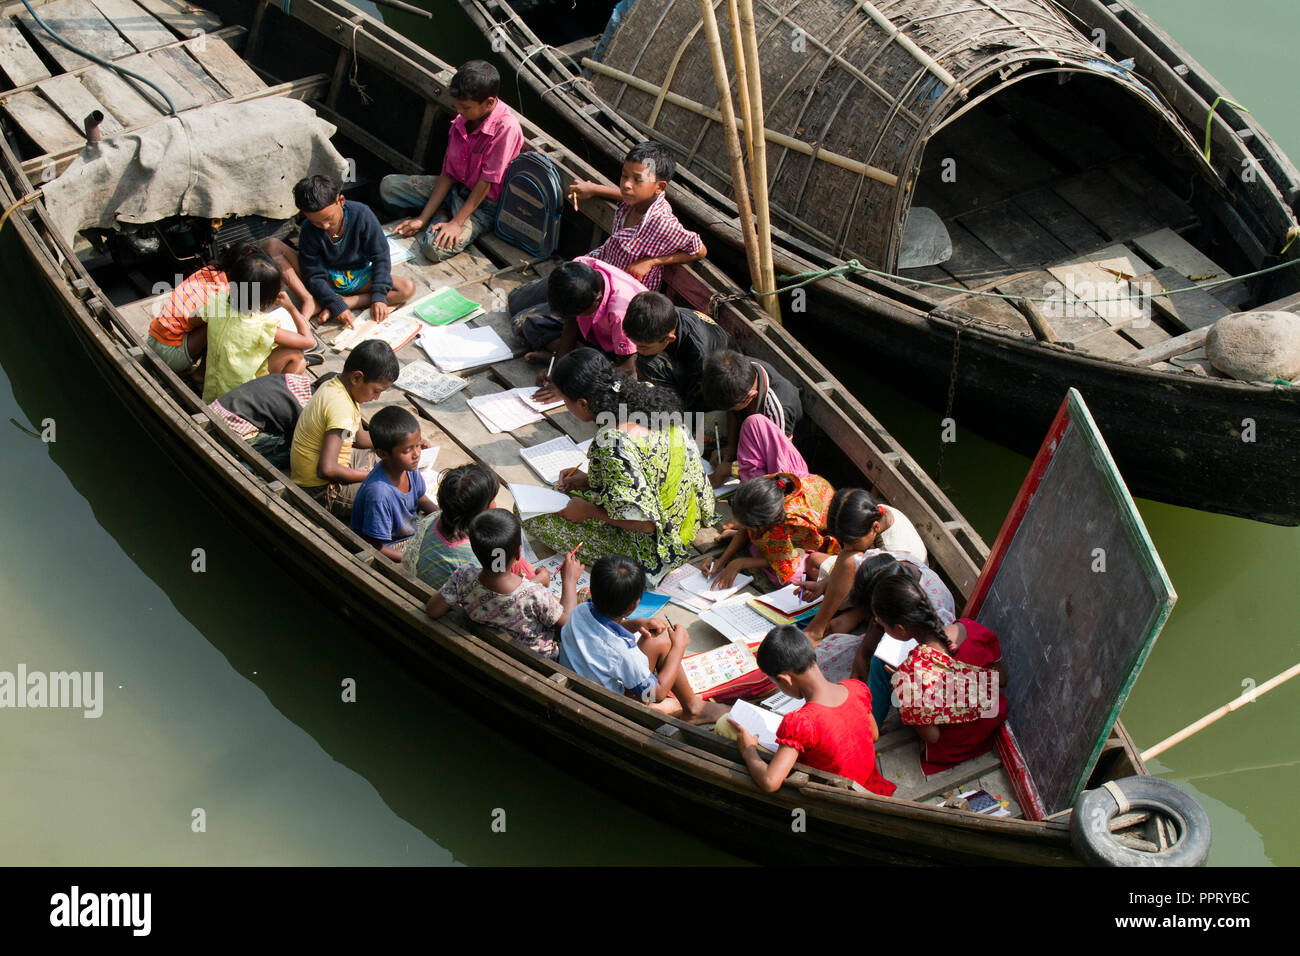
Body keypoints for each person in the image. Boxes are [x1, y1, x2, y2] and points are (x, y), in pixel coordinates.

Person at [525, 348, 714, 585]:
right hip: (688, 515)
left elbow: (645, 524)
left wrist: (589, 511)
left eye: (565, 401)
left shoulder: (612, 443)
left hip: (659, 546)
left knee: (530, 514)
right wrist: (589, 480)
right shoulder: (649, 395)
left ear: (583, 404)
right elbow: (649, 467)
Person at [726, 625, 895, 796]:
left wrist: (749, 750)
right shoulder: (856, 689)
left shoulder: (802, 722)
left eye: (777, 684)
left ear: (786, 679)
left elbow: (770, 782)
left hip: (835, 799)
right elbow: (873, 735)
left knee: (724, 726)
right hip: (872, 789)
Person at [559, 554, 726, 722]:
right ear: (634, 605)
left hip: (580, 691)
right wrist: (678, 647)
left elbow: (600, 634)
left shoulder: (579, 611)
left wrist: (636, 623)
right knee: (661, 642)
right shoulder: (624, 654)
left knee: (656, 641)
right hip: (609, 710)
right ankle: (693, 708)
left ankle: (691, 707)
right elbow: (657, 694)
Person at [385, 60, 524, 262]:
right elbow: (448, 174)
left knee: (434, 249)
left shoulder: (506, 128)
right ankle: (439, 212)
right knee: (389, 187)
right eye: (457, 105)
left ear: (490, 103)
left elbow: (486, 183)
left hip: (482, 205)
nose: (459, 112)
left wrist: (457, 223)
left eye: (465, 107)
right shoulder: (464, 118)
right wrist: (422, 219)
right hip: (455, 189)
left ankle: (444, 216)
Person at [873, 574, 1008, 775]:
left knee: (887, 680)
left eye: (882, 625)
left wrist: (904, 693)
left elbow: (932, 737)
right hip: (988, 725)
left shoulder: (914, 672)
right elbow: (1002, 680)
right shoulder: (973, 629)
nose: (881, 627)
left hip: (955, 747)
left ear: (900, 629)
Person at [814, 553, 955, 727]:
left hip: (907, 678)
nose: (874, 622)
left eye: (878, 619)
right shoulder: (889, 568)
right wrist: (863, 654)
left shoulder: (901, 662)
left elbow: (928, 732)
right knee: (831, 651)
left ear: (898, 626)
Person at [426, 509, 580, 659]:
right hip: (533, 664)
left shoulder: (463, 577)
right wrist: (569, 580)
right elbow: (567, 625)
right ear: (518, 553)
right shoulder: (536, 595)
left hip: (488, 655)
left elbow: (433, 610)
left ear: (474, 548)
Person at [146, 238, 315, 375]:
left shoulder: (209, 271)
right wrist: (291, 309)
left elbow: (192, 319)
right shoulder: (223, 294)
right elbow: (308, 342)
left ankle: (202, 372)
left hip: (153, 337)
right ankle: (201, 373)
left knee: (217, 317)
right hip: (170, 354)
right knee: (218, 320)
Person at [567, 141, 706, 290]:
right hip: (608, 268)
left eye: (638, 180)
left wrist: (651, 262)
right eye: (624, 176)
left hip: (628, 288)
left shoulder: (662, 223)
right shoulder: (636, 200)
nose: (626, 185)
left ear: (659, 187)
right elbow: (624, 195)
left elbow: (699, 250)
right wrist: (594, 189)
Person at [800, 488, 928, 642]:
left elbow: (891, 594)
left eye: (852, 542)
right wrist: (825, 583)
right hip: (872, 574)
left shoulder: (895, 550)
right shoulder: (871, 513)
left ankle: (817, 630)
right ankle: (855, 613)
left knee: (847, 560)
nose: (846, 548)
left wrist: (836, 580)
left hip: (895, 593)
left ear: (875, 527)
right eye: (844, 542)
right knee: (815, 561)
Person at [289, 339, 399, 517]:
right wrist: (367, 476)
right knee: (388, 495)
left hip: (319, 472)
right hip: (320, 490)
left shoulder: (336, 386)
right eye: (376, 391)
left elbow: (359, 438)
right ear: (357, 378)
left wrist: (398, 443)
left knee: (377, 452)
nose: (377, 398)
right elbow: (327, 469)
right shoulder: (341, 409)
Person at [294, 173, 415, 329]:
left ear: (341, 201)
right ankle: (328, 300)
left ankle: (346, 302)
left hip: (357, 276)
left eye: (329, 218)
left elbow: (381, 256)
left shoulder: (362, 214)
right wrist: (332, 300)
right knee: (273, 246)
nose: (324, 226)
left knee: (407, 288)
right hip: (328, 280)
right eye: (316, 222)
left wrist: (378, 297)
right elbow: (314, 275)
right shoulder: (308, 230)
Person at [200, 245, 314, 403]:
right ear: (269, 298)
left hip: (213, 392)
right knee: (297, 357)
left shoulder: (218, 301)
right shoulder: (261, 326)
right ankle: (275, 404)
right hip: (242, 399)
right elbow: (309, 341)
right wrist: (292, 308)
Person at [403, 462, 541, 589]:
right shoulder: (483, 553)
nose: (495, 503)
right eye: (492, 499)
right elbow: (501, 592)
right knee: (515, 559)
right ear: (481, 512)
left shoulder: (434, 520)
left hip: (427, 593)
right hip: (458, 612)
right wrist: (539, 581)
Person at [518, 258, 646, 383]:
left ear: (597, 299)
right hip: (593, 334)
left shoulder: (621, 314)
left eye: (580, 312)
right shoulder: (578, 268)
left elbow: (628, 369)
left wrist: (563, 389)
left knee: (610, 374)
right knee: (528, 323)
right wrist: (557, 365)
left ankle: (578, 365)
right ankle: (570, 360)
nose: (575, 315)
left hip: (619, 352)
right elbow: (571, 322)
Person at [705, 472, 838, 587]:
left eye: (749, 527)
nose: (745, 528)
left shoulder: (788, 521)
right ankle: (750, 540)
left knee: (787, 579)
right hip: (792, 529)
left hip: (817, 536)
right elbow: (747, 529)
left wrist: (740, 563)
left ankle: (752, 542)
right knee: (756, 542)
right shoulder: (766, 488)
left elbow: (785, 561)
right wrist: (721, 561)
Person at [700, 349, 803, 486]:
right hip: (751, 431)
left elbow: (777, 465)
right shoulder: (739, 371)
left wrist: (731, 469)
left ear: (750, 397)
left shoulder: (778, 411)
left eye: (731, 407)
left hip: (779, 455)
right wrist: (730, 447)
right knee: (697, 434)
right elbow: (733, 412)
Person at [622, 291, 735, 413]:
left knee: (649, 364)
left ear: (669, 338)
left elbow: (697, 400)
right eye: (636, 344)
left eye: (644, 347)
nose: (638, 350)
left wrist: (682, 421)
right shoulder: (661, 316)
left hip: (716, 381)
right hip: (692, 365)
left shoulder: (700, 355)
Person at [350, 406, 436, 562]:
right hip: (391, 546)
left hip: (410, 532)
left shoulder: (407, 467)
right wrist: (411, 560)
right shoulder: (379, 494)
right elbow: (374, 546)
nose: (416, 454)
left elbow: (421, 497)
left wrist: (441, 516)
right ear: (382, 454)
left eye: (418, 445)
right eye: (407, 450)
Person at [208, 371, 322, 469]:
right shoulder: (305, 410)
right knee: (291, 451)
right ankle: (248, 467)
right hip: (229, 434)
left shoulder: (288, 379)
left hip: (213, 413)